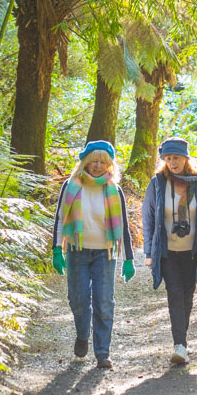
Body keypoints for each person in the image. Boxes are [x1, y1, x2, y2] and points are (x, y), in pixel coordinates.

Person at [51, 140, 135, 369]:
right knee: (77, 301)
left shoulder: (113, 189)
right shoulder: (71, 186)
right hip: (77, 251)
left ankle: (102, 353)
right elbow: (60, 220)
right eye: (93, 161)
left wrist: (129, 259)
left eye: (103, 162)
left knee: (104, 302)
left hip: (105, 253)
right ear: (85, 162)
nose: (97, 166)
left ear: (109, 165)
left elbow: (124, 226)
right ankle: (82, 335)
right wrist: (56, 249)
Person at [141, 137, 197, 365]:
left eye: (176, 157)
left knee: (187, 296)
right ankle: (180, 345)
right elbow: (148, 220)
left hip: (193, 252)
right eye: (167, 158)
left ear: (186, 158)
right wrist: (149, 252)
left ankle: (181, 342)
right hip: (167, 252)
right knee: (175, 292)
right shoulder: (157, 183)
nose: (172, 162)